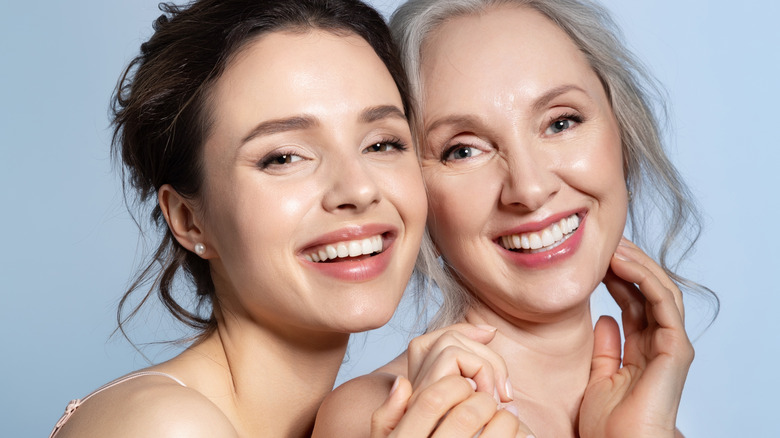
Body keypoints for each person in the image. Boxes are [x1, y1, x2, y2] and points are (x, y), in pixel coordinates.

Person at [314, 0, 717, 437]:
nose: (528, 187)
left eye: (561, 123)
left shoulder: (646, 419)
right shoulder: (383, 415)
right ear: (415, 189)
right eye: (463, 150)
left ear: (624, 134)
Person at [47, 0, 432, 436]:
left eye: (382, 144)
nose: (359, 190)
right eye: (283, 157)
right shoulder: (166, 425)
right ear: (189, 219)